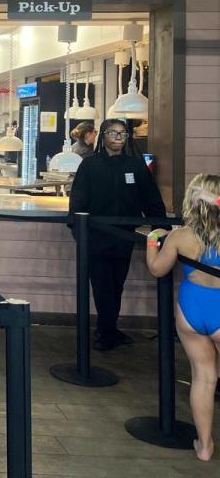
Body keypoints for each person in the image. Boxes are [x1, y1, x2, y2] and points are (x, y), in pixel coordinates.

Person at [69, 117, 166, 351]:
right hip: (95, 235)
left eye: (122, 134)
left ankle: (108, 329)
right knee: (102, 284)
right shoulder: (90, 165)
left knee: (116, 283)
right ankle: (105, 331)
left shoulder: (135, 166)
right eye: (113, 133)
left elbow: (151, 198)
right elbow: (78, 202)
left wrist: (160, 228)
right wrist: (79, 232)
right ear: (103, 136)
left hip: (125, 236)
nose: (118, 138)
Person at [146, 174, 220, 462]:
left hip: (191, 310)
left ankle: (204, 446)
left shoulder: (180, 236)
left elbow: (157, 269)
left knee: (204, 378)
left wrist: (153, 241)